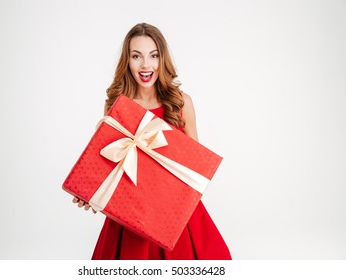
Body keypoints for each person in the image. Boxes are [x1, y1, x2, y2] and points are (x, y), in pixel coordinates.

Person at [72, 23, 232, 260]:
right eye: (137, 56)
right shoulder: (117, 105)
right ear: (127, 61)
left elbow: (196, 173)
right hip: (131, 217)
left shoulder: (181, 103)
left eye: (153, 55)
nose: (146, 65)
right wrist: (90, 192)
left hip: (177, 216)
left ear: (162, 59)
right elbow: (108, 163)